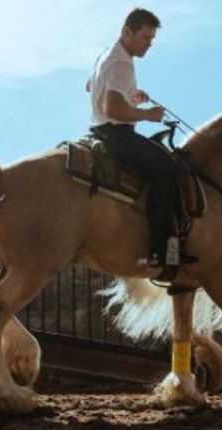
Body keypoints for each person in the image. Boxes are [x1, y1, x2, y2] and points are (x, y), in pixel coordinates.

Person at [86, 7, 182, 267]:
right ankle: (159, 251)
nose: (149, 45)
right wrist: (147, 114)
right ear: (127, 31)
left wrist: (130, 93)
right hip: (117, 135)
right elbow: (113, 109)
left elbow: (90, 86)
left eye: (151, 40)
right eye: (144, 38)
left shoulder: (107, 55)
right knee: (167, 170)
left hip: (99, 131)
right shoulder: (121, 63)